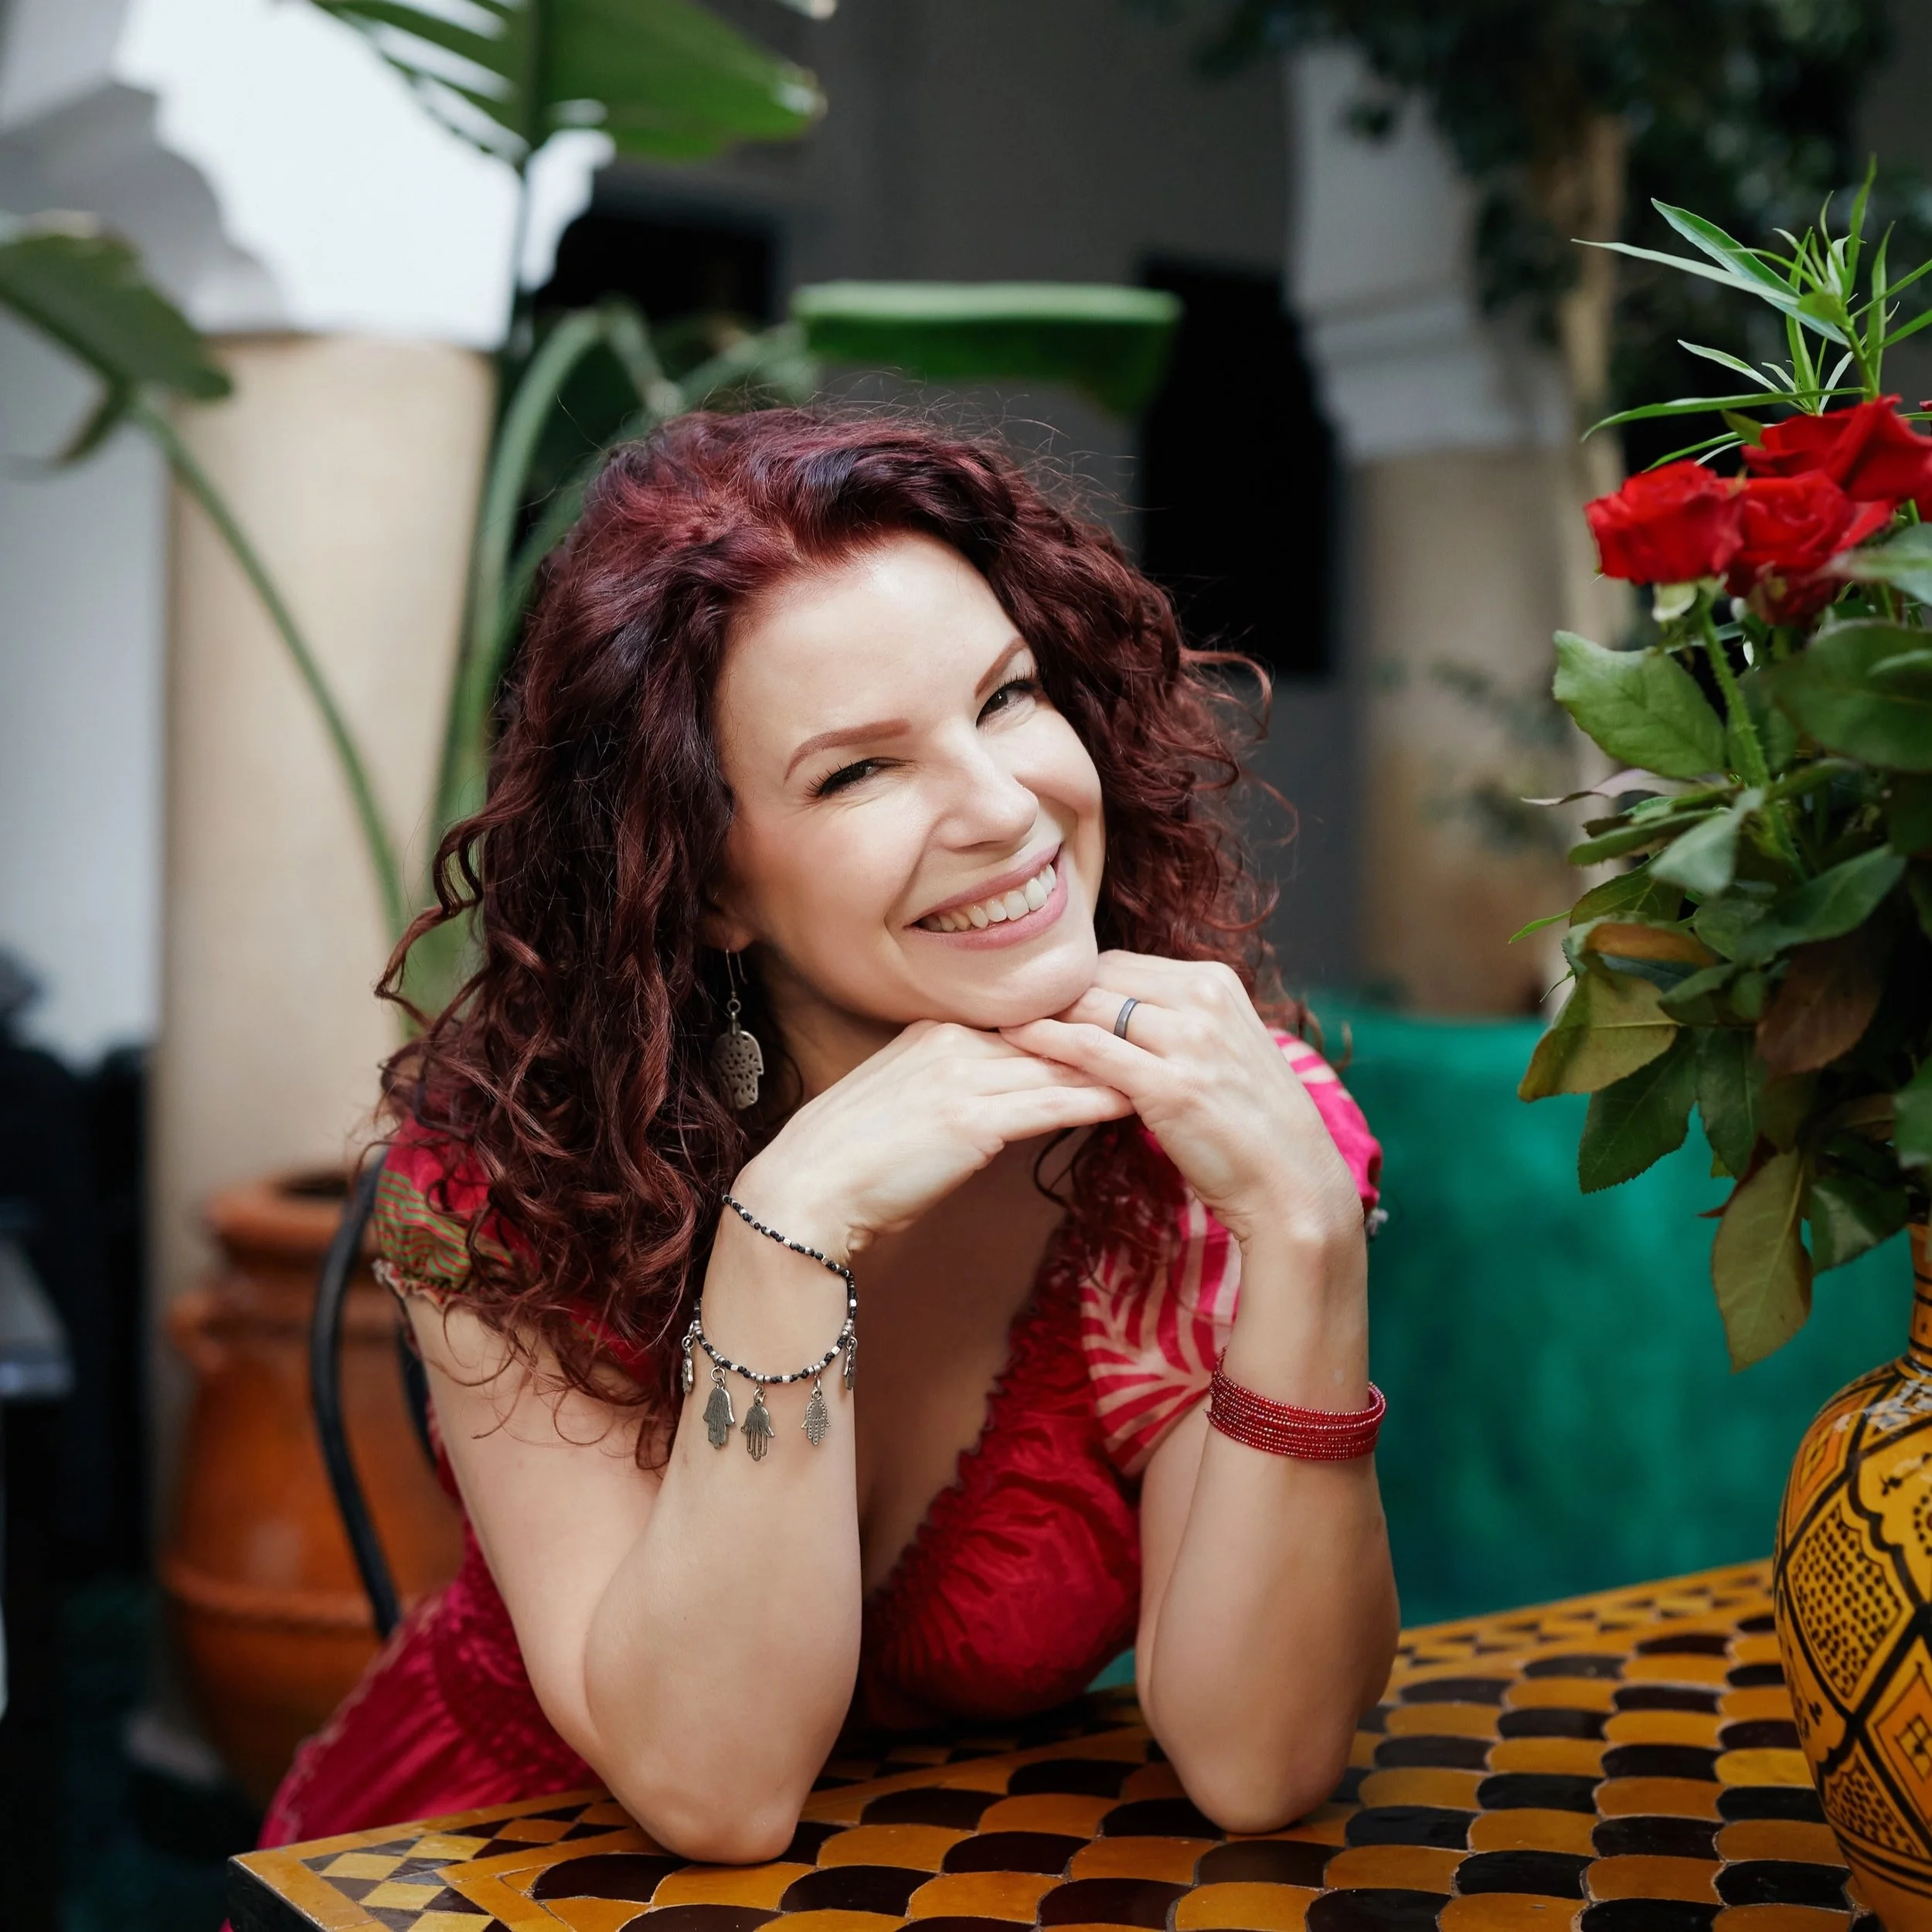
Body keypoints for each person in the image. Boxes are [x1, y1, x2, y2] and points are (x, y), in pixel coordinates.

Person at [260, 411, 1396, 1862]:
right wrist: (785, 1238)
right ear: (706, 879)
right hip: (504, 1865)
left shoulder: (1208, 1141)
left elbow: (1259, 1758)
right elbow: (715, 1793)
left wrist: (1304, 1237)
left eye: (1007, 699)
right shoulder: (497, 1187)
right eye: (859, 772)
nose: (1005, 810)